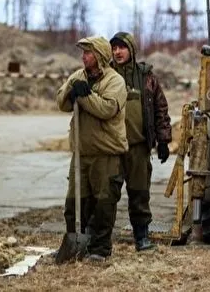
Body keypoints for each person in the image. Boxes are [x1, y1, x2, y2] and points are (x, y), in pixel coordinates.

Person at [55, 36, 128, 263]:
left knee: (103, 204)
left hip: (106, 153)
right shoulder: (78, 77)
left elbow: (107, 109)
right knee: (75, 203)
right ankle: (77, 245)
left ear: (99, 55)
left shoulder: (115, 81)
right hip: (82, 153)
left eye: (88, 52)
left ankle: (99, 249)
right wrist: (71, 89)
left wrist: (85, 96)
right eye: (83, 52)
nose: (83, 56)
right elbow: (62, 103)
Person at [110, 31, 172, 251]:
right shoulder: (106, 75)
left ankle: (142, 237)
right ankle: (99, 240)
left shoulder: (147, 77)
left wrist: (163, 140)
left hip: (138, 147)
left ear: (132, 49)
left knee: (139, 193)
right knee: (106, 195)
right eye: (114, 48)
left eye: (122, 47)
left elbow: (160, 108)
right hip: (112, 148)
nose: (117, 52)